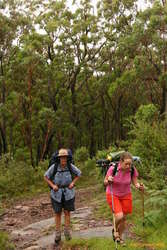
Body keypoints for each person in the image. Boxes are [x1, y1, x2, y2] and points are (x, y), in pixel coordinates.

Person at [104, 151, 144, 246]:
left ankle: (119, 237)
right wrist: (108, 180)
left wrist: (139, 186)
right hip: (113, 194)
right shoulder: (112, 169)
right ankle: (115, 230)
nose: (128, 166)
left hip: (126, 195)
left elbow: (135, 182)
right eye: (126, 164)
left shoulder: (132, 170)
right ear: (120, 162)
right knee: (119, 216)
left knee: (124, 218)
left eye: (130, 164)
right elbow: (105, 182)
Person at [44, 148, 81, 248]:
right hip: (56, 194)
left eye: (65, 157)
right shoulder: (54, 166)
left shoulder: (70, 166)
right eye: (61, 157)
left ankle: (67, 232)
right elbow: (46, 176)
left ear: (67, 158)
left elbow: (79, 173)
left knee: (67, 212)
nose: (63, 159)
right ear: (59, 158)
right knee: (57, 213)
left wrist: (73, 183)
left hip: (69, 193)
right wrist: (52, 186)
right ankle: (57, 234)